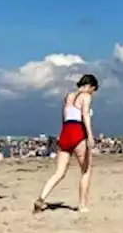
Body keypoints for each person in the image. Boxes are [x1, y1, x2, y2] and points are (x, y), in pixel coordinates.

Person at [34, 73, 99, 213]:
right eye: (93, 90)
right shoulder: (86, 97)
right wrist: (90, 135)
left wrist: (62, 134)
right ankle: (82, 205)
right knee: (86, 170)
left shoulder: (68, 96)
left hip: (65, 132)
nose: (93, 93)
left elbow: (64, 116)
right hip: (78, 131)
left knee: (59, 172)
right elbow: (85, 115)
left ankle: (41, 198)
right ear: (90, 86)